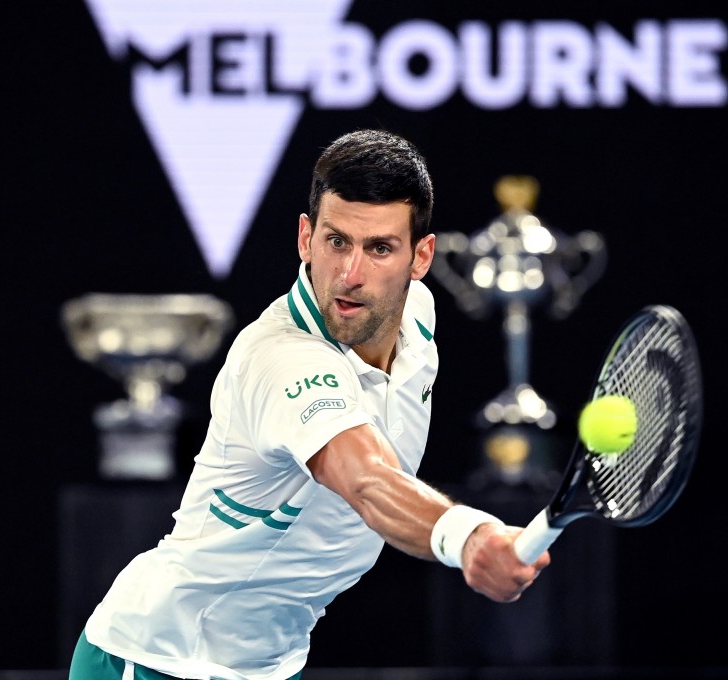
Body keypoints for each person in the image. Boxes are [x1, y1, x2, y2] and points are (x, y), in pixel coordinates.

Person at [69, 129, 551, 680]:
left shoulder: (417, 313)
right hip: (161, 659)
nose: (351, 275)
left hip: (270, 663)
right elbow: (365, 478)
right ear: (306, 238)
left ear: (421, 257)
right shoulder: (283, 358)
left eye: (380, 248)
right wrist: (466, 537)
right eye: (336, 241)